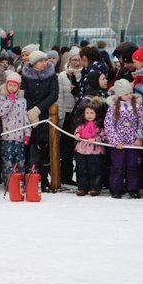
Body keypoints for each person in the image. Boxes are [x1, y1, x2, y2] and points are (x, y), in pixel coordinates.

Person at [21, 50, 59, 193]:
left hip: (44, 115)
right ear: (34, 63)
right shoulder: (25, 75)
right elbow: (24, 94)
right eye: (41, 60)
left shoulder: (51, 75)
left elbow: (54, 94)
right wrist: (31, 110)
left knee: (44, 148)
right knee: (30, 147)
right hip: (29, 116)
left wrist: (38, 109)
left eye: (45, 60)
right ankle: (29, 178)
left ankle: (44, 179)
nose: (45, 62)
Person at [104, 80, 142, 199]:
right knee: (117, 166)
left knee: (133, 165)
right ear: (119, 95)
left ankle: (133, 188)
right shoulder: (113, 108)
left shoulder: (137, 105)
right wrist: (115, 141)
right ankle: (116, 188)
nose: (129, 96)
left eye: (130, 93)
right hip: (119, 142)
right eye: (126, 94)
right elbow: (109, 125)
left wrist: (139, 138)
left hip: (133, 141)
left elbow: (141, 122)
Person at [0, 72, 31, 181]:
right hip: (6, 137)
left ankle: (19, 181)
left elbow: (26, 119)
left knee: (20, 161)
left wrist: (27, 134)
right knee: (7, 161)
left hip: (19, 137)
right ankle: (9, 181)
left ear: (18, 87)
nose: (12, 88)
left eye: (15, 85)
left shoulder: (22, 101)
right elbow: (1, 112)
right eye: (10, 85)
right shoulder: (1, 99)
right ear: (6, 85)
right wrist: (10, 101)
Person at [57, 49, 82, 185]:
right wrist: (60, 116)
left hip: (81, 115)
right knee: (66, 149)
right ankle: (65, 175)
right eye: (74, 60)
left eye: (79, 60)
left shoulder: (84, 75)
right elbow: (59, 97)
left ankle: (80, 177)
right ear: (69, 60)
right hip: (67, 114)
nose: (77, 63)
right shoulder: (62, 76)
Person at [73, 101, 106, 196]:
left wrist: (96, 139)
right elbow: (77, 130)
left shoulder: (99, 125)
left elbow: (104, 136)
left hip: (95, 151)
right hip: (82, 150)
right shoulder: (82, 124)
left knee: (95, 170)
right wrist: (77, 134)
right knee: (82, 169)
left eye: (92, 113)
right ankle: (82, 187)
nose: (89, 115)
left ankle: (95, 187)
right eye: (87, 113)